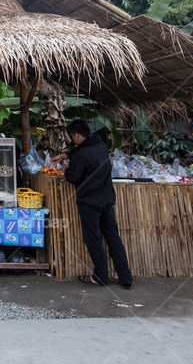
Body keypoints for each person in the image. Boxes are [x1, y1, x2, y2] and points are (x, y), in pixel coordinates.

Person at [54, 119, 133, 289]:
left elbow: (73, 177)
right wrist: (66, 155)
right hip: (106, 199)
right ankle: (125, 277)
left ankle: (101, 276)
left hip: (89, 202)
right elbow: (84, 150)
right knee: (113, 237)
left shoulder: (82, 155)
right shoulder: (101, 146)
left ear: (76, 135)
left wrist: (66, 169)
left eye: (72, 137)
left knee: (94, 239)